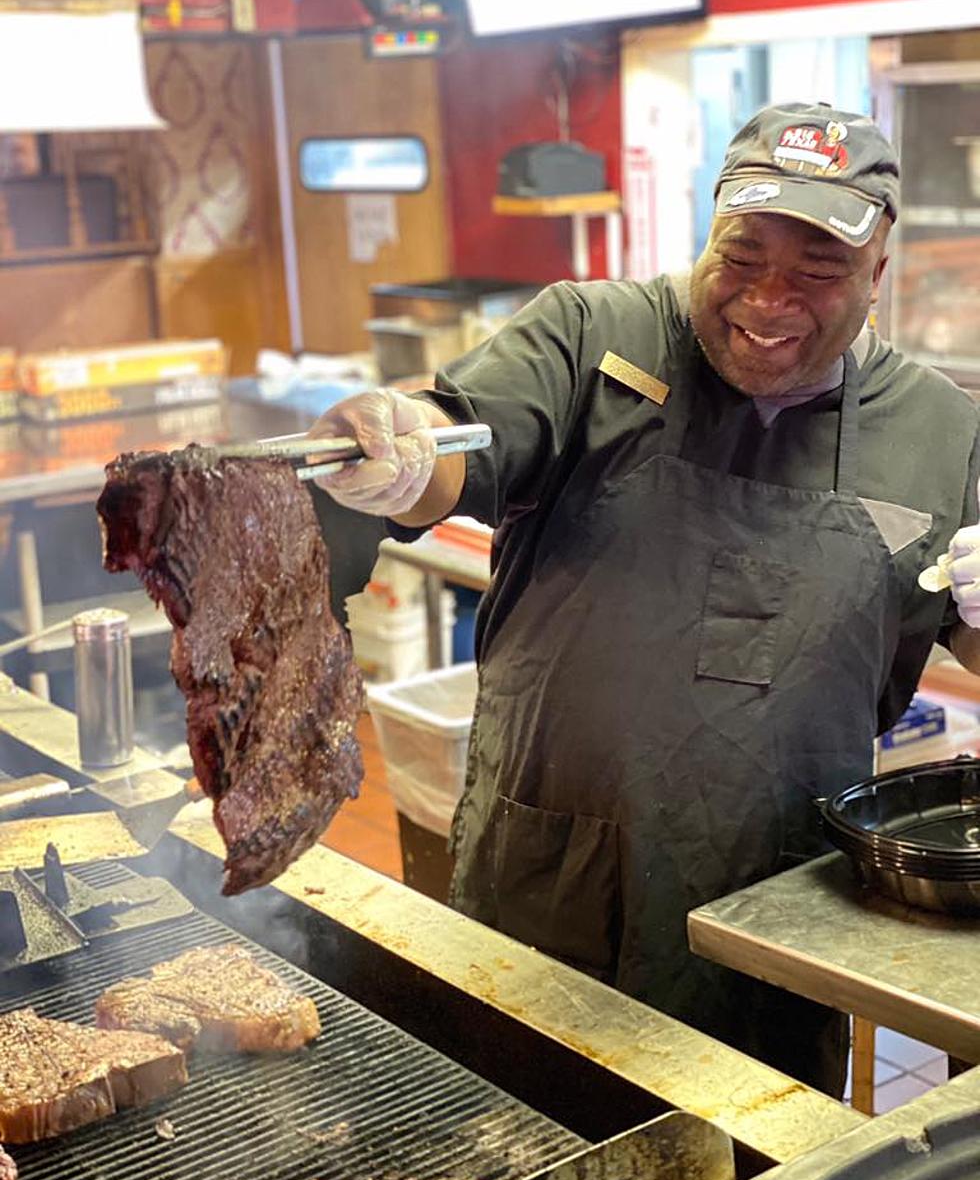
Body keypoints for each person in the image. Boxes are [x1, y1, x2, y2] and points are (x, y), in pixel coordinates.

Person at [308, 102, 980, 1097]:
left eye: (815, 269)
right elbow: (446, 451)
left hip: (770, 925)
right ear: (706, 228)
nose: (766, 295)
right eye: (741, 252)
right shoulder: (591, 337)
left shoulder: (938, 431)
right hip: (541, 891)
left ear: (877, 273)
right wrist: (393, 452)